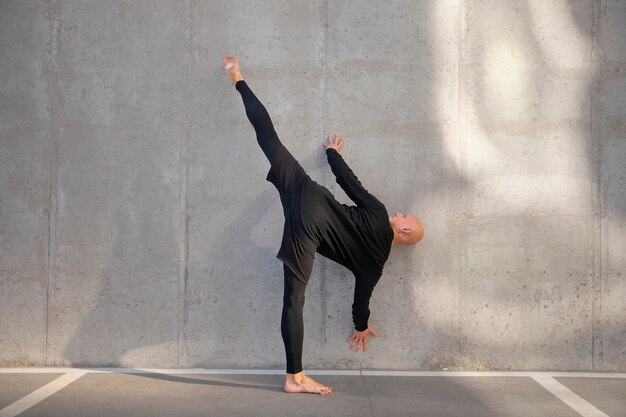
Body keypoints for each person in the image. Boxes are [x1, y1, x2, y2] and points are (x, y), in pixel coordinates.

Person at [221, 56, 424, 395]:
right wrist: (361, 327)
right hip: (307, 231)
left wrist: (332, 152)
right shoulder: (374, 267)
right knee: (293, 302)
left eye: (406, 218)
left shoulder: (378, 212)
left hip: (307, 193)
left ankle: (238, 79)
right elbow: (361, 302)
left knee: (269, 139)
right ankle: (294, 378)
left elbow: (349, 183)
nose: (400, 213)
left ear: (404, 231)